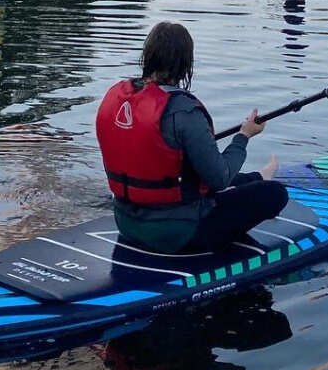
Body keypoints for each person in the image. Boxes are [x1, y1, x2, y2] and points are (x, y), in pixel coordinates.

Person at [95, 21, 286, 254]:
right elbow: (219, 179)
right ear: (185, 64)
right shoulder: (184, 111)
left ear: (148, 56)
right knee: (275, 194)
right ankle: (264, 181)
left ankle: (259, 176)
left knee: (197, 175)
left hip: (126, 224)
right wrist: (243, 137)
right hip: (177, 234)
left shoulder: (116, 97)